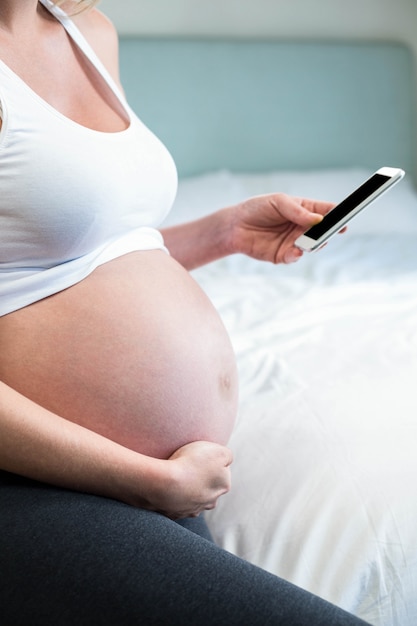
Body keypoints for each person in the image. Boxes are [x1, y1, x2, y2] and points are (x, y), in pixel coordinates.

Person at [0, 1, 368, 623]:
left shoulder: (85, 32)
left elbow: (80, 249)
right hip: (36, 479)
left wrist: (224, 231)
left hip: (152, 486)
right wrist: (143, 479)